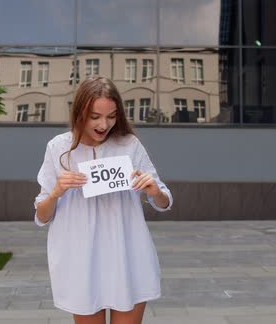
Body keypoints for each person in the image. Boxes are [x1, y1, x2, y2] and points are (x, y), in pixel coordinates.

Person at [34, 77, 173, 324]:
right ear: (79, 113)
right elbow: (42, 215)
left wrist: (153, 191)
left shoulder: (129, 144)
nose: (104, 124)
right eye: (95, 116)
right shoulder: (58, 148)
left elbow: (164, 201)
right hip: (82, 261)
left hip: (127, 256)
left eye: (111, 116)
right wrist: (56, 191)